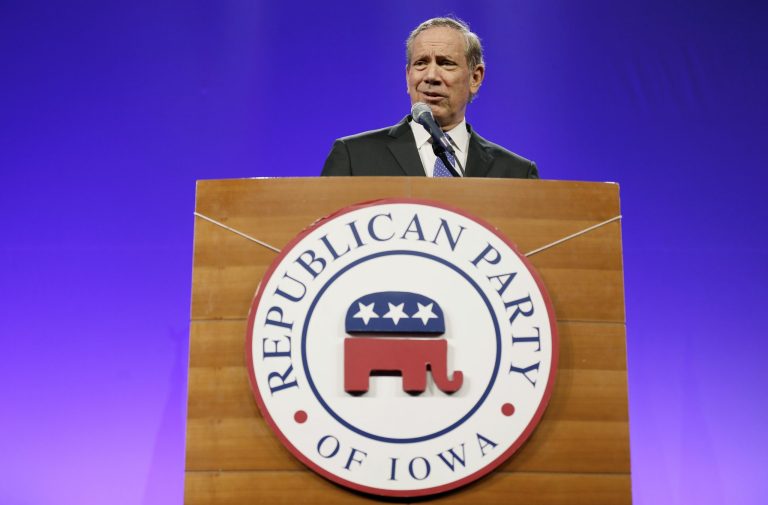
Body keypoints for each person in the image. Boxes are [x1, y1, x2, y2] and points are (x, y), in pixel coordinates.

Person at [321, 17, 538, 178]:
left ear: (475, 77)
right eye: (421, 63)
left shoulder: (516, 172)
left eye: (446, 63)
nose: (431, 76)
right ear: (408, 77)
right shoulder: (354, 157)